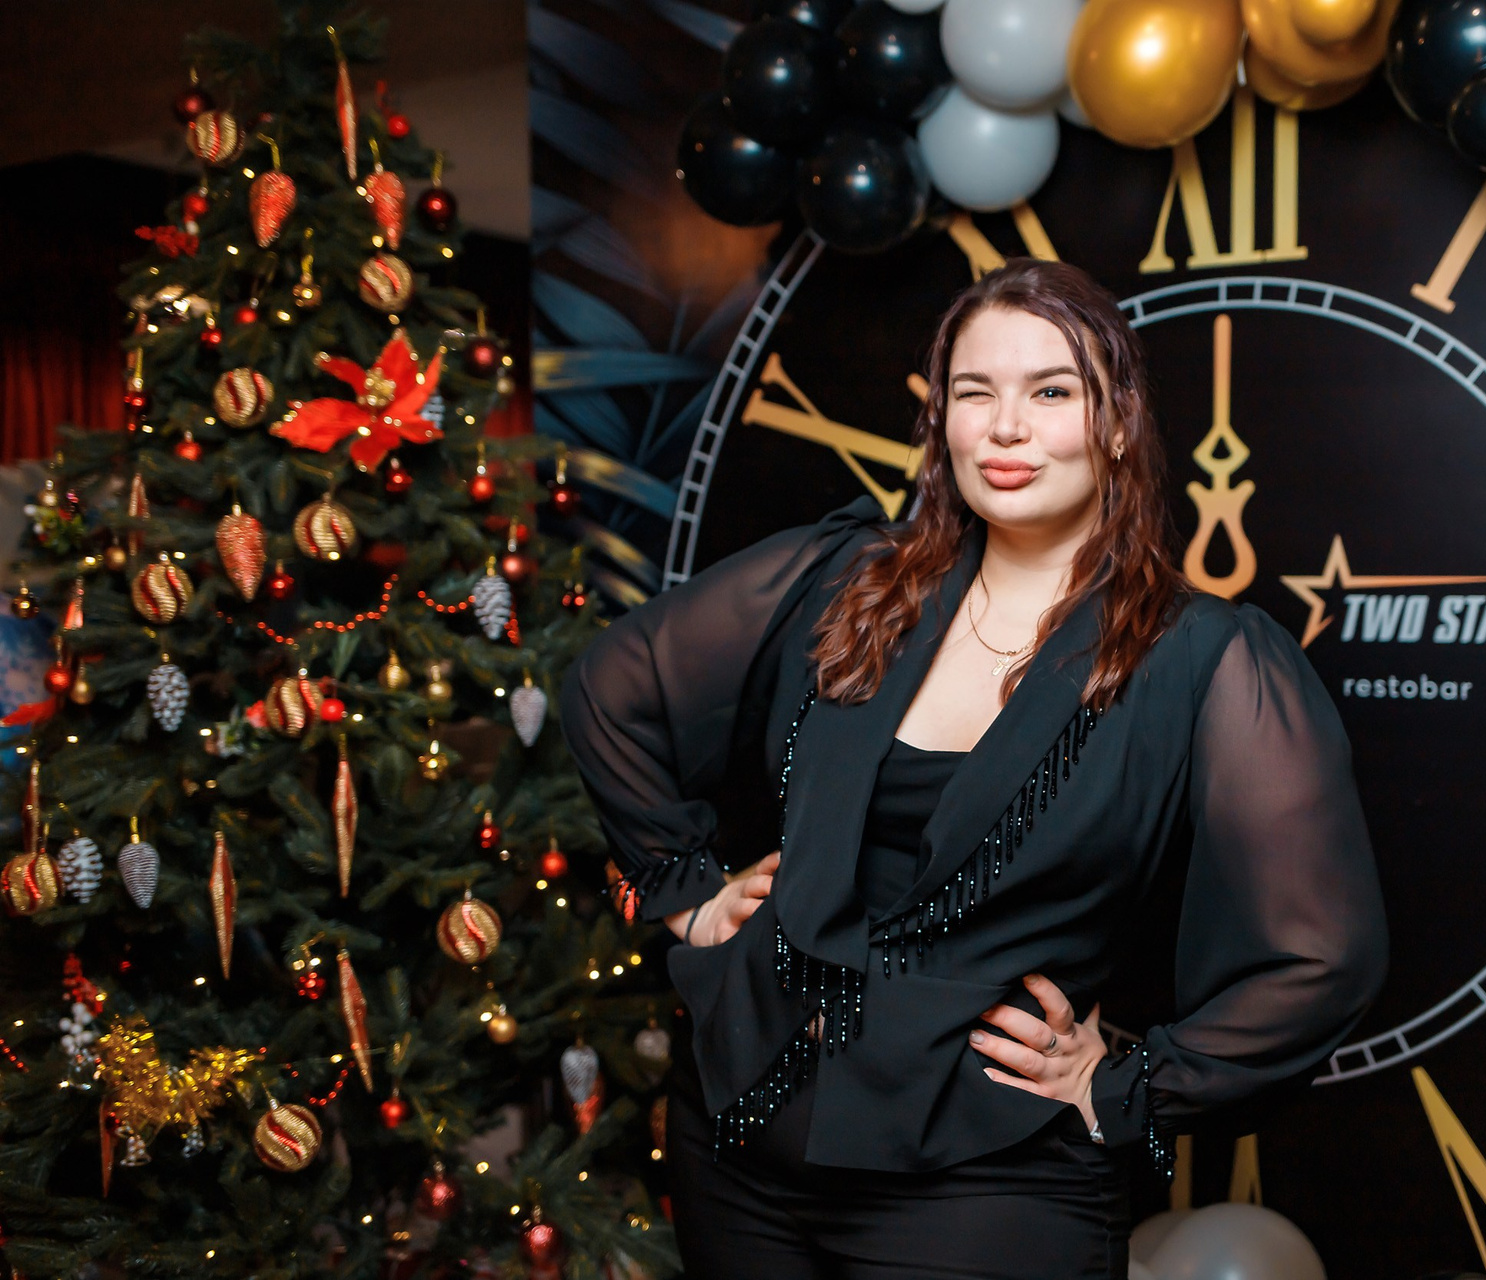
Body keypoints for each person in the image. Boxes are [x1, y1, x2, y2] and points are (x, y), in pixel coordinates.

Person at [559, 259, 1388, 1279]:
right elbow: (612, 683)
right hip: (739, 1146)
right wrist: (686, 894)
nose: (1005, 429)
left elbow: (1322, 955)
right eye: (974, 392)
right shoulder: (846, 581)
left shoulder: (1203, 658)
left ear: (1117, 422)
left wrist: (1127, 1087)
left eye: (1051, 392)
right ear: (941, 418)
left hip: (986, 1180)